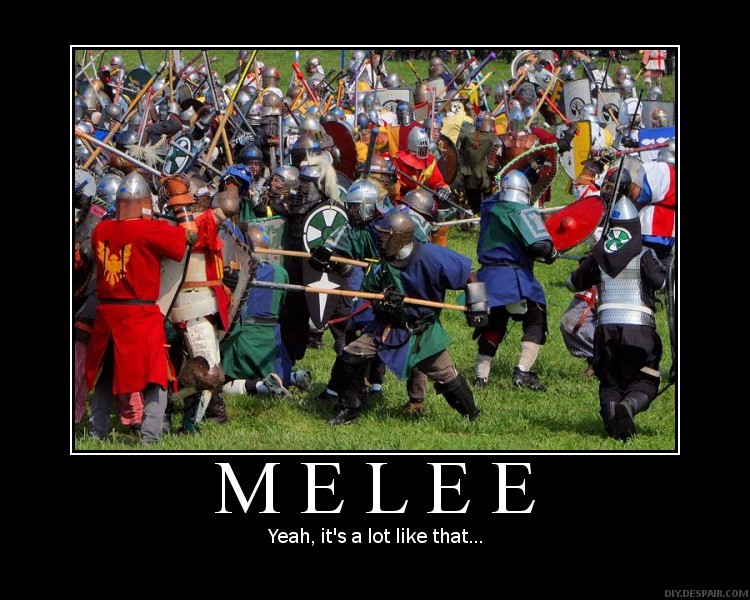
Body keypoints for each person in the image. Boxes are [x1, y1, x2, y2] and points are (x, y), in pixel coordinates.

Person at [325, 206, 488, 425]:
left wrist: (478, 305)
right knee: (352, 355)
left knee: (446, 374)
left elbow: (469, 274)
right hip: (387, 326)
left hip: (421, 330)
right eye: (379, 234)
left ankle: (472, 415)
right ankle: (349, 409)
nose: (380, 239)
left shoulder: (431, 256)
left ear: (400, 237)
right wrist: (382, 301)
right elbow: (369, 293)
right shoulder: (383, 262)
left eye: (385, 235)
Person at [84, 172, 192, 444]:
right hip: (139, 317)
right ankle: (149, 437)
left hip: (108, 317)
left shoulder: (101, 231)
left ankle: (97, 433)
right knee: (157, 376)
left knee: (107, 375)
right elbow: (189, 238)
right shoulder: (151, 230)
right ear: (145, 204)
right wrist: (180, 203)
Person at [566, 195, 667, 441]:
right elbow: (662, 283)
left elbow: (572, 283)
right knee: (647, 375)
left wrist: (587, 265)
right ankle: (629, 405)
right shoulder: (644, 254)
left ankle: (615, 429)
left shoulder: (599, 255)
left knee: (610, 380)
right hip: (639, 329)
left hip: (605, 330)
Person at [473, 170, 557, 391]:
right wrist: (551, 252)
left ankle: (481, 376)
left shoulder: (489, 208)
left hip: (487, 279)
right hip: (513, 278)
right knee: (536, 317)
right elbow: (539, 245)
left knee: (495, 323)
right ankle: (523, 371)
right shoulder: (522, 211)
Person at [221, 224, 312, 397]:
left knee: (223, 380)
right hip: (271, 339)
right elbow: (281, 305)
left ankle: (263, 387)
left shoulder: (239, 273)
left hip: (244, 338)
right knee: (276, 371)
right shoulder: (280, 272)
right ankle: (294, 377)